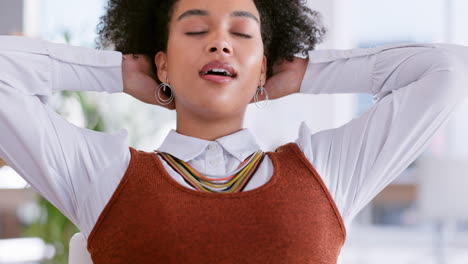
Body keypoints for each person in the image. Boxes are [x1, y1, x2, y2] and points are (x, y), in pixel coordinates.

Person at [1, 0, 467, 263]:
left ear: (264, 66)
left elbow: (450, 72)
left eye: (242, 34)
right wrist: (119, 72)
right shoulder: (101, 178)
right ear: (161, 61)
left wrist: (306, 73)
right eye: (195, 29)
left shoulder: (326, 174)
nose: (219, 41)